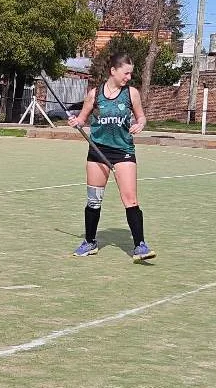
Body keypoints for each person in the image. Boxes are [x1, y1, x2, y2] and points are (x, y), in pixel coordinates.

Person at [67, 52, 156, 262]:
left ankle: (140, 245)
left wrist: (140, 124)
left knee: (130, 199)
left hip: (123, 151)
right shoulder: (94, 94)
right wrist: (76, 122)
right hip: (98, 151)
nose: (129, 77)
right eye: (126, 73)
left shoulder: (131, 93)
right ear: (113, 71)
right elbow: (82, 119)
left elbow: (141, 116)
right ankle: (90, 242)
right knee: (93, 200)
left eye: (130, 73)